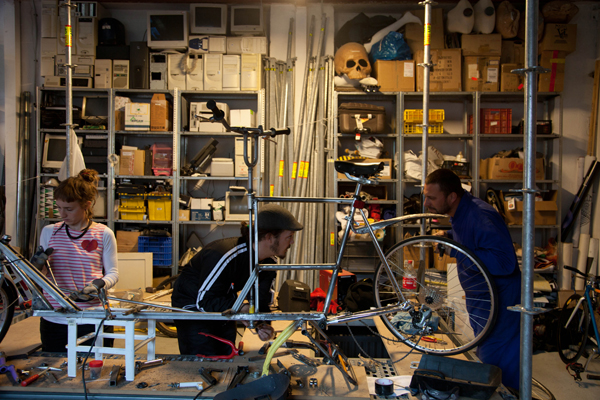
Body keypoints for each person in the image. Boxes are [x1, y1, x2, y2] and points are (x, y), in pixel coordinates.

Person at [423, 169, 521, 390]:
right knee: (488, 358)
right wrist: (448, 238)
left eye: (431, 198)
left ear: (451, 197)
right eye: (425, 196)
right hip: (482, 299)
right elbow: (475, 244)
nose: (426, 203)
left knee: (497, 364)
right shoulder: (460, 212)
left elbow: (505, 263)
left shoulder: (480, 216)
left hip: (500, 300)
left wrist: (457, 250)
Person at [171, 204, 303, 356]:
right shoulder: (225, 255)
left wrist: (263, 325)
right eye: (289, 237)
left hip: (223, 298)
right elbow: (204, 301)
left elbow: (260, 299)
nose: (292, 242)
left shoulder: (268, 264)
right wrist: (240, 308)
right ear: (269, 238)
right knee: (204, 358)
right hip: (192, 305)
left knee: (227, 353)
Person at [38, 169, 119, 352]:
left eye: (69, 209)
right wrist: (37, 266)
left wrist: (98, 284)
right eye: (59, 208)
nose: (62, 214)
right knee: (56, 369)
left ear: (86, 205)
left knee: (95, 372)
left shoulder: (103, 234)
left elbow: (113, 273)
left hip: (92, 315)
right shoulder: (49, 232)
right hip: (55, 317)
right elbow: (42, 275)